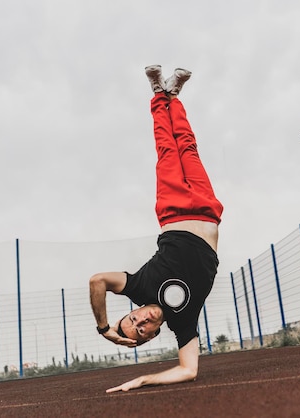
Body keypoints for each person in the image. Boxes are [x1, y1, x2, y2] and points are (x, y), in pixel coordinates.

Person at [89, 65, 223, 393]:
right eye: (141, 330)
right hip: (206, 210)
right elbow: (188, 370)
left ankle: (157, 97)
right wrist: (144, 379)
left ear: (132, 310)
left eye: (133, 319)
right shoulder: (182, 322)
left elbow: (98, 281)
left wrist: (105, 328)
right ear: (151, 335)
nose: (141, 320)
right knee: (188, 147)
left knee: (167, 149)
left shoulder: (139, 287)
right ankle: (173, 97)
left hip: (173, 212)